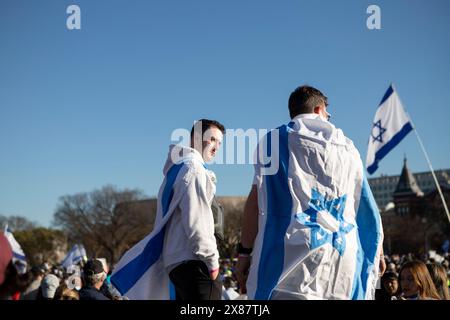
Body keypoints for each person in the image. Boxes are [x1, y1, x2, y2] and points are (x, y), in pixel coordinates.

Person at [235, 85, 385, 300]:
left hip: (289, 261)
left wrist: (244, 253)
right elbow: (366, 206)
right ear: (318, 109)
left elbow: (255, 202)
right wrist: (377, 248)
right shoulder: (349, 148)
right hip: (342, 260)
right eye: (328, 114)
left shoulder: (272, 141)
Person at [111, 119, 225, 300]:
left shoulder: (177, 168)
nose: (216, 147)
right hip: (194, 260)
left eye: (220, 142)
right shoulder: (194, 169)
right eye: (212, 139)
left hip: (176, 262)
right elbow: (197, 221)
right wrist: (212, 262)